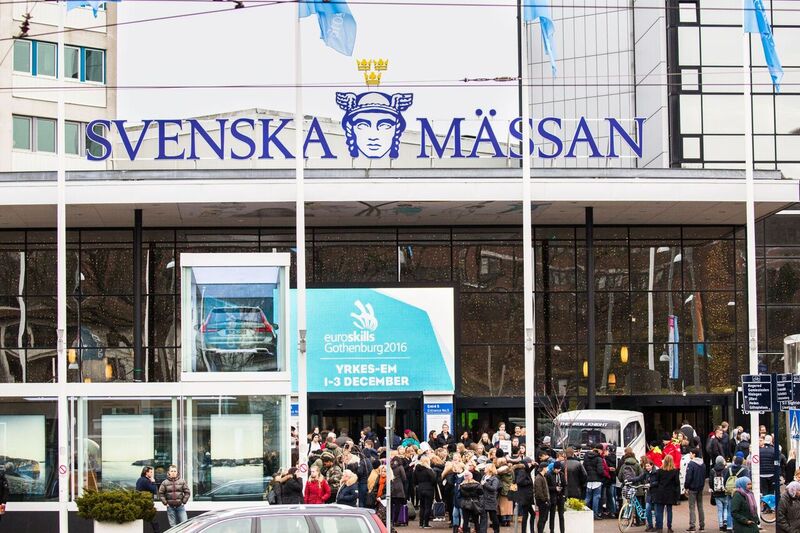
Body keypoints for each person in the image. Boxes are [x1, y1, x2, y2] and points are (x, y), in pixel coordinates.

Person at [652, 454, 680, 533]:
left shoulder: (659, 471)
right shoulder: (675, 471)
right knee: (669, 511)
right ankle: (669, 527)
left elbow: (657, 481)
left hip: (661, 492)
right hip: (670, 493)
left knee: (659, 511)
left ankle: (659, 527)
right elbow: (677, 483)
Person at [684, 447, 706, 532]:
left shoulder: (691, 464)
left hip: (692, 488)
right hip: (700, 487)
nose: (690, 455)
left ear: (694, 454)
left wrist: (686, 486)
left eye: (690, 453)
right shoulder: (703, 464)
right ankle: (702, 524)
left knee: (692, 507)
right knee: (700, 506)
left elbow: (688, 477)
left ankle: (692, 525)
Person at [414, 455, 437, 529]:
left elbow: (414, 480)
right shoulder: (428, 470)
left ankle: (421, 523)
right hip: (429, 489)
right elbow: (434, 479)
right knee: (428, 506)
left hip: (420, 488)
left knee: (422, 506)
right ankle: (426, 523)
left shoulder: (416, 469)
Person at [583, 445, 605, 520]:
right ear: (598, 451)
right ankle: (594, 514)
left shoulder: (586, 458)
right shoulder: (599, 458)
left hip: (589, 480)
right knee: (596, 497)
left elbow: (584, 469)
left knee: (587, 497)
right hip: (597, 481)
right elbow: (600, 471)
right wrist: (602, 477)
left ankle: (583, 510)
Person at [136, 466, 161, 533]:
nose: (152, 474)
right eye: (151, 472)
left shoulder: (139, 480)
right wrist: (153, 482)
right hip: (147, 503)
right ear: (146, 473)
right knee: (153, 519)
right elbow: (154, 490)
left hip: (140, 502)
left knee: (140, 519)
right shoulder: (146, 481)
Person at [710, 456, 730, 532]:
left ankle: (721, 525)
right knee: (725, 508)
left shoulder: (712, 470)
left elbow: (711, 482)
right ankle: (725, 521)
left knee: (719, 510)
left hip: (716, 493)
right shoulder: (726, 470)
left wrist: (713, 489)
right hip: (725, 492)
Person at [515, 458, 535, 533]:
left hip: (526, 497)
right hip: (525, 497)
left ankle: (530, 531)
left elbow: (528, 471)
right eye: (529, 463)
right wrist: (529, 482)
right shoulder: (522, 471)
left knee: (531, 514)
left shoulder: (524, 470)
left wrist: (533, 466)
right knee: (526, 515)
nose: (530, 465)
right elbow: (519, 481)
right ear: (526, 463)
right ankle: (526, 531)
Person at [546, 461, 566, 533]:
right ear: (554, 468)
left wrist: (564, 495)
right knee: (552, 515)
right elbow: (546, 487)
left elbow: (565, 485)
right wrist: (555, 488)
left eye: (559, 469)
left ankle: (562, 531)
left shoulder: (562, 474)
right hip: (553, 497)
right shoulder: (549, 475)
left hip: (560, 497)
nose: (558, 470)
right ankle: (552, 530)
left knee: (561, 515)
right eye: (557, 469)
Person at [480, 464, 500, 533]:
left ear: (489, 469)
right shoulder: (483, 476)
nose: (484, 469)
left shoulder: (495, 479)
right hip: (483, 499)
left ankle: (496, 531)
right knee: (483, 517)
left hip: (491, 500)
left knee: (493, 517)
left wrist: (485, 484)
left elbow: (494, 488)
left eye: (486, 467)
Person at [533, 462, 550, 533]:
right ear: (544, 468)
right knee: (542, 518)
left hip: (545, 501)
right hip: (542, 501)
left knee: (544, 518)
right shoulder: (538, 478)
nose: (548, 469)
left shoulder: (543, 477)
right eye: (547, 467)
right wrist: (544, 500)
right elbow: (539, 491)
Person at [390, 455, 407, 526]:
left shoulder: (390, 467)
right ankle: (395, 521)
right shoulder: (400, 467)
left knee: (390, 505)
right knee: (398, 505)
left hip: (391, 487)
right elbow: (404, 477)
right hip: (399, 487)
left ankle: (390, 520)